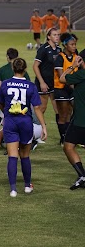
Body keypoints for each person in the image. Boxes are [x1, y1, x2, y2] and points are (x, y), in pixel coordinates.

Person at [0, 58, 47, 197]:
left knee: (12, 156)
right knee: (25, 155)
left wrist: (7, 112)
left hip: (10, 121)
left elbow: (0, 103)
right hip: (25, 122)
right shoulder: (31, 86)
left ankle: (13, 189)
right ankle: (27, 186)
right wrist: (43, 126)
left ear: (13, 68)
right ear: (25, 69)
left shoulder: (6, 84)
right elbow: (37, 107)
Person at [59, 55, 85, 190]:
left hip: (81, 120)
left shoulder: (81, 74)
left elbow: (62, 78)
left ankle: (82, 175)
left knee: (68, 146)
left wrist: (73, 66)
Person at [53, 33, 80, 145]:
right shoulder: (60, 58)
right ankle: (63, 138)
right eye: (72, 44)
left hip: (72, 88)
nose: (74, 46)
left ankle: (68, 137)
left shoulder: (76, 56)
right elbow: (61, 77)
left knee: (70, 113)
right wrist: (72, 67)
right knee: (63, 115)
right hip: (61, 89)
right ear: (65, 45)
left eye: (75, 44)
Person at [32, 27, 61, 121]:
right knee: (42, 109)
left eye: (58, 35)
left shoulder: (59, 50)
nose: (57, 37)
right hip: (44, 83)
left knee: (58, 110)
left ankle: (63, 134)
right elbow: (35, 66)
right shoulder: (43, 49)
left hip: (55, 84)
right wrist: (42, 82)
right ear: (49, 37)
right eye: (54, 35)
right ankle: (35, 132)